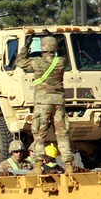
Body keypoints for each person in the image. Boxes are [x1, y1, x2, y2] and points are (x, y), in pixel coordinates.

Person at [15, 35, 74, 174]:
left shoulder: (37, 62)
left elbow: (19, 62)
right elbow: (64, 55)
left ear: (42, 48)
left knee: (39, 135)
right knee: (62, 134)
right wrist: (60, 46)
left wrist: (26, 46)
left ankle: (37, 166)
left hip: (43, 103)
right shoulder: (61, 61)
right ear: (54, 48)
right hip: (59, 102)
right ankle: (69, 165)